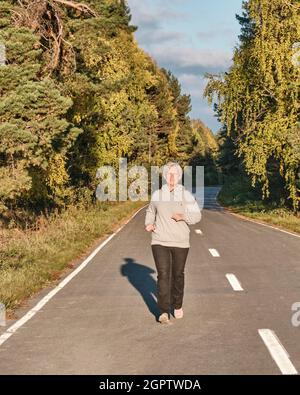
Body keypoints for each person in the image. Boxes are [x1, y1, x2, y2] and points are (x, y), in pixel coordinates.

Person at [145, 161, 202, 325]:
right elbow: (151, 211)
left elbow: (197, 216)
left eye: (174, 174)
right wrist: (148, 223)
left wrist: (183, 216)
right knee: (163, 275)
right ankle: (163, 311)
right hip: (159, 240)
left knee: (177, 275)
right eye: (169, 174)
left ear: (179, 176)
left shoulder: (186, 195)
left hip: (180, 242)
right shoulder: (157, 195)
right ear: (164, 175)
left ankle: (177, 305)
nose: (171, 177)